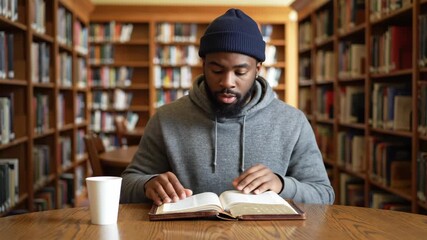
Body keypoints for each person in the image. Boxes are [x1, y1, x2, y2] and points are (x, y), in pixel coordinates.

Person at [120, 8, 335, 206]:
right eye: (216, 70)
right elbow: (126, 186)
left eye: (240, 72)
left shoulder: (292, 122)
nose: (227, 82)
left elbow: (324, 194)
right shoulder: (166, 118)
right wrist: (147, 185)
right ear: (203, 65)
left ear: (257, 69)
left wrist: (282, 185)